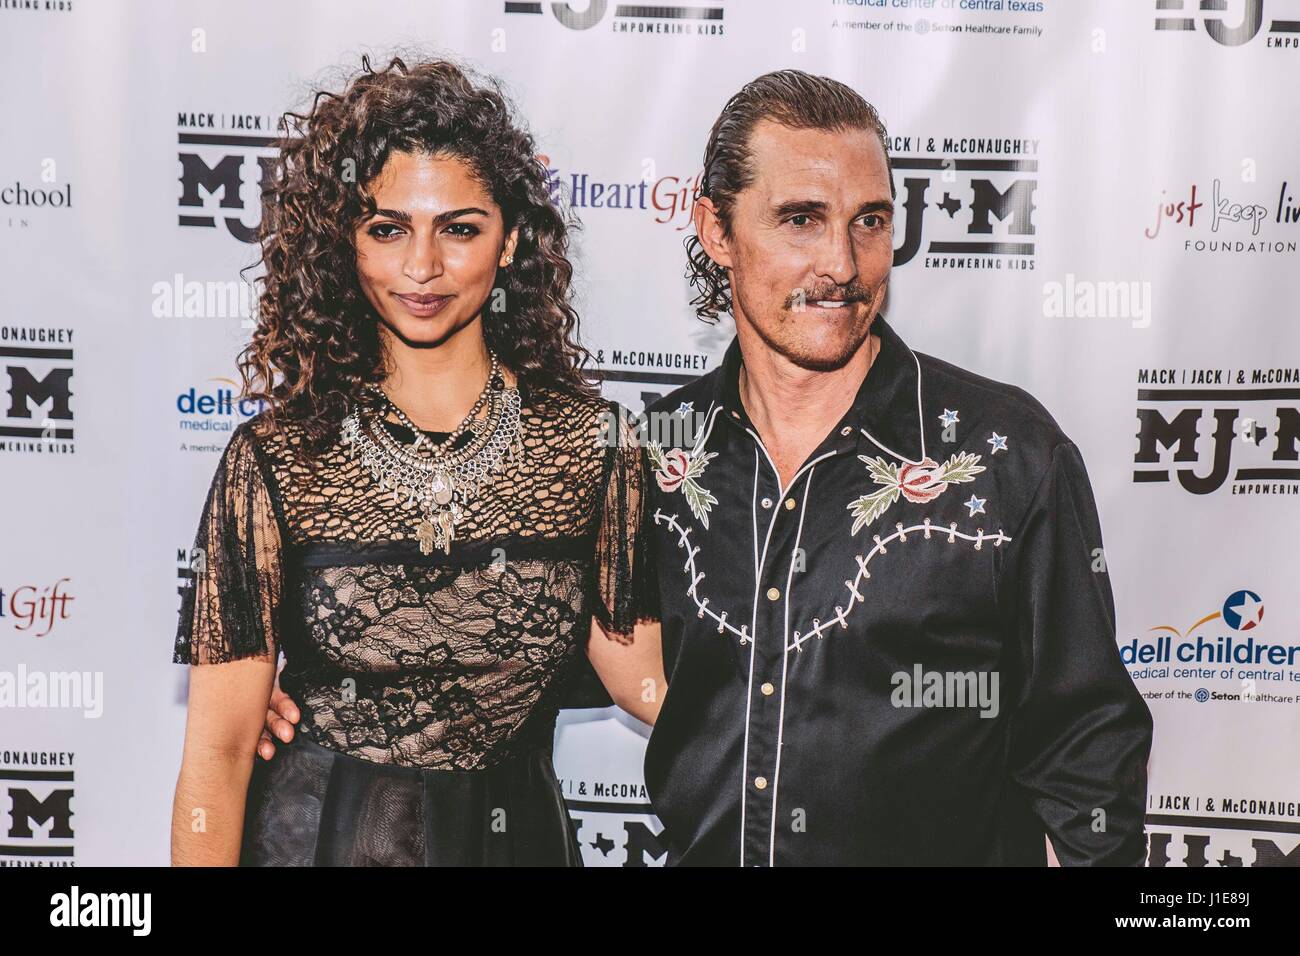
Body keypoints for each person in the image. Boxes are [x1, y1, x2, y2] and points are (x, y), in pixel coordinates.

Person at [624, 69, 1154, 866]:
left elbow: (1090, 762)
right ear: (716, 230)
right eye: (800, 220)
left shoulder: (1006, 456)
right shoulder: (656, 453)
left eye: (868, 221)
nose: (841, 262)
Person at [170, 55, 661, 867]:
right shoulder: (280, 457)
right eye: (388, 228)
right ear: (346, 242)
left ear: (509, 242)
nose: (422, 267)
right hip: (314, 844)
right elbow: (218, 755)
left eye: (460, 228)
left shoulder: (593, 447)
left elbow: (650, 686)